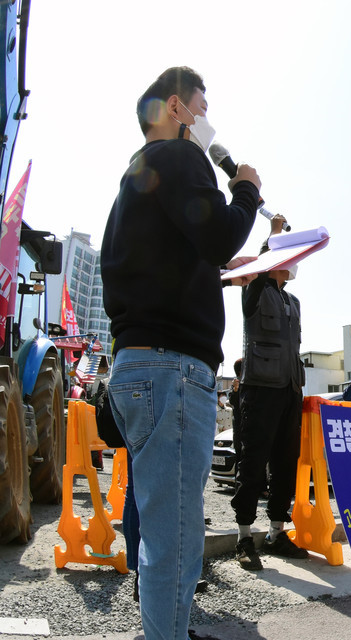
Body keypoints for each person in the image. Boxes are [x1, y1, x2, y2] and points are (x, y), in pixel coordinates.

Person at [101, 66, 260, 640]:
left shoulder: (137, 177)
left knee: (160, 525)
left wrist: (221, 274)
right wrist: (246, 188)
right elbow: (218, 231)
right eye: (202, 105)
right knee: (177, 532)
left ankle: (166, 628)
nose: (207, 118)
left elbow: (169, 266)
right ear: (177, 108)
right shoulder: (181, 155)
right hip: (172, 371)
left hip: (138, 367)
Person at [232, 218, 309, 571]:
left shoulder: (292, 301)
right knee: (252, 463)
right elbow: (262, 265)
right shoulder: (255, 288)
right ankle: (244, 536)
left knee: (285, 464)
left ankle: (278, 532)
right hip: (260, 387)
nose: (292, 263)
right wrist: (274, 233)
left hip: (290, 390)